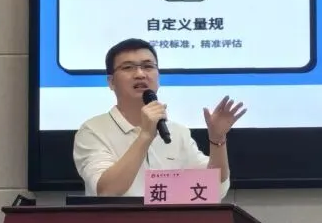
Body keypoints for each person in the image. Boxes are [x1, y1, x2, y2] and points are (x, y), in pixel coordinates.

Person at [73, 38, 247, 198]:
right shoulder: (93, 131)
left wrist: (217, 139)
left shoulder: (177, 132)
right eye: (128, 67)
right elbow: (106, 191)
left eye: (148, 66)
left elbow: (214, 186)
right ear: (111, 82)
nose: (140, 74)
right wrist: (145, 135)